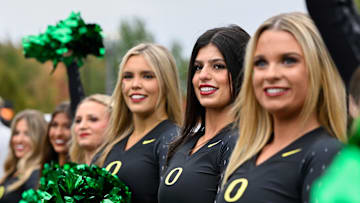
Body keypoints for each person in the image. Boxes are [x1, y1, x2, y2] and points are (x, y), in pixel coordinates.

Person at [216, 12, 347, 203]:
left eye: (288, 60)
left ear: (319, 69)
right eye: (261, 63)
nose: (271, 74)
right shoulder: (244, 152)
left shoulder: (329, 155)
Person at [158, 25, 250, 203]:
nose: (203, 75)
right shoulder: (183, 143)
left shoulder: (239, 141)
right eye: (198, 67)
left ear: (241, 73)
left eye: (218, 66)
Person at [94, 43, 183, 203]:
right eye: (128, 76)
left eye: (147, 76)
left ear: (166, 82)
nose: (135, 85)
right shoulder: (112, 143)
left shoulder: (172, 138)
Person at [0, 110, 47, 202]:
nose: (19, 139)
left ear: (39, 138)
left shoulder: (37, 176)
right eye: (16, 133)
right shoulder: (13, 171)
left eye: (27, 134)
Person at [70, 94, 112, 164]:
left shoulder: (119, 170)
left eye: (93, 119)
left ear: (113, 123)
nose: (82, 126)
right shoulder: (69, 171)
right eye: (78, 120)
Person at [40, 102, 72, 168]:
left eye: (67, 126)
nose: (58, 133)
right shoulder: (47, 167)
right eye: (54, 125)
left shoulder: (82, 174)